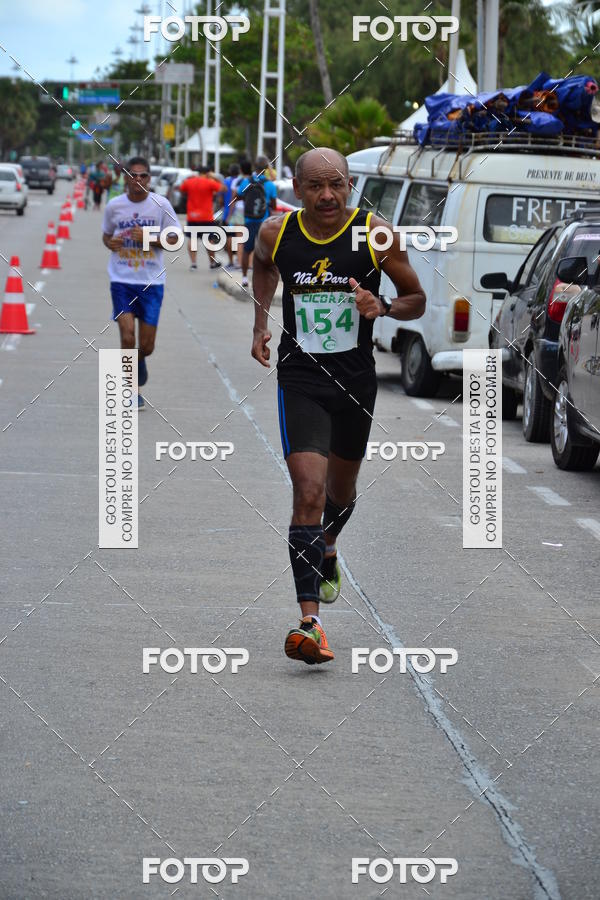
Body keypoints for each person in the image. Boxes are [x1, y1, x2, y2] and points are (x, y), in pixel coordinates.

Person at [251, 147, 426, 665]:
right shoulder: (277, 233)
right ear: (297, 189)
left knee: (340, 494)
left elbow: (416, 299)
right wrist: (260, 324)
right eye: (315, 186)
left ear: (350, 185)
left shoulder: (375, 234)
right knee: (308, 491)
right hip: (301, 378)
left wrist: (384, 306)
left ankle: (327, 543)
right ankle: (310, 623)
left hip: (354, 381)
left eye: (337, 185)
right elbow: (262, 266)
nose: (327, 195)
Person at [102, 156, 179, 409]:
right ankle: (131, 389)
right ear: (125, 177)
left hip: (151, 283)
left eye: (143, 175)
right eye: (132, 175)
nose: (138, 180)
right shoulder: (114, 206)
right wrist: (110, 243)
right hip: (121, 280)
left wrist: (149, 237)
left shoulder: (161, 204)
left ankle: (140, 360)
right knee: (127, 337)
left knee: (146, 345)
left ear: (149, 178)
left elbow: (175, 240)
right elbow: (106, 235)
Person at [235, 158, 277, 288]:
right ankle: (265, 277)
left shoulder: (246, 182)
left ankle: (244, 278)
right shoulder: (270, 185)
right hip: (264, 223)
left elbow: (238, 196)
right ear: (266, 168)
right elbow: (274, 205)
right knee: (267, 251)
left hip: (249, 220)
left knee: (247, 250)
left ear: (255, 167)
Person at [178, 164, 226, 270]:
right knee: (209, 240)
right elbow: (223, 188)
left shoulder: (190, 181)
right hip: (206, 217)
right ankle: (212, 263)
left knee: (192, 239)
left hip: (192, 216)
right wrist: (214, 177)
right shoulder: (210, 182)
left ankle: (193, 264)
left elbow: (181, 189)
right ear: (208, 173)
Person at [222, 163, 243, 269]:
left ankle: (231, 261)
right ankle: (240, 261)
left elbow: (220, 198)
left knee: (229, 237)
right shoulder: (242, 181)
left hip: (228, 213)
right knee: (241, 238)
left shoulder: (226, 182)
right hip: (241, 213)